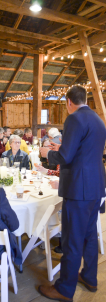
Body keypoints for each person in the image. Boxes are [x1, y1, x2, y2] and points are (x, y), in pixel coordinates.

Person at [39, 85, 106, 301]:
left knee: (71, 240)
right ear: (85, 98)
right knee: (89, 237)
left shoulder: (74, 119)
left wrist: (47, 152)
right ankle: (90, 278)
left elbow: (66, 157)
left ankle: (64, 288)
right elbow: (84, 152)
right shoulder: (98, 120)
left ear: (69, 102)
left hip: (78, 189)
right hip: (95, 186)